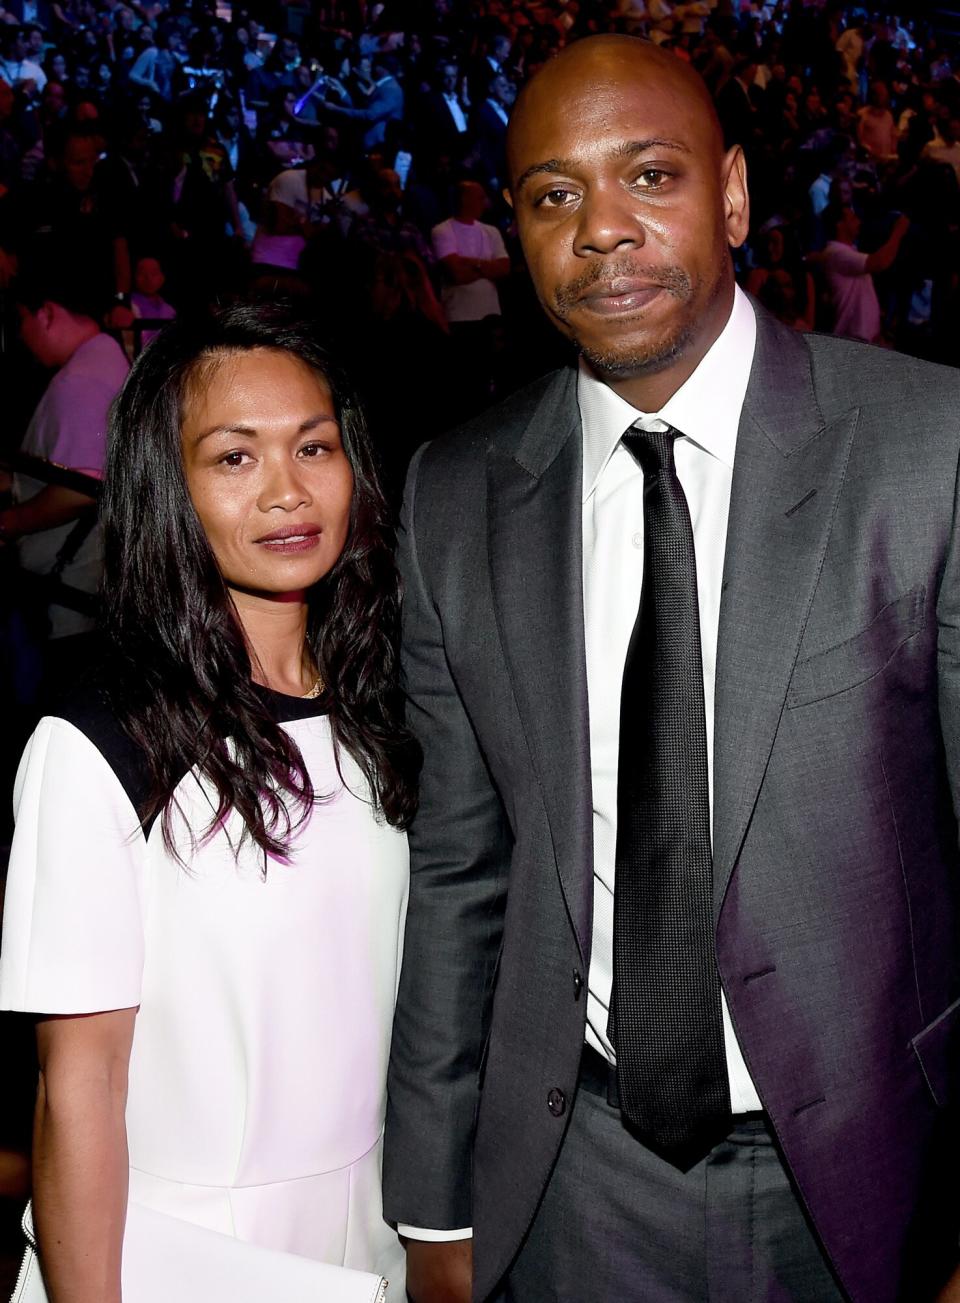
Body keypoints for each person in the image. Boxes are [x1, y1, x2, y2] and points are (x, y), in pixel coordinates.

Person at [383, 34, 960, 1303]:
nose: (600, 229)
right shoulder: (456, 493)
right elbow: (461, 870)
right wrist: (431, 1204)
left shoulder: (930, 447)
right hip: (577, 1169)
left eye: (649, 175)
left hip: (877, 1171)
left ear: (736, 194)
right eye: (552, 196)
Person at [0, 301, 418, 1298]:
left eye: (313, 446)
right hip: (185, 1254)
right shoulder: (101, 741)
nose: (287, 490)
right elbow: (80, 1090)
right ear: (169, 488)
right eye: (235, 458)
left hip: (378, 1237)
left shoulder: (393, 705)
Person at [0, 260, 129, 685]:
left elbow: (86, 483)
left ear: (48, 312)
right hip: (90, 588)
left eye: (22, 319)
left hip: (71, 594)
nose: (21, 334)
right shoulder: (107, 356)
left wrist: (11, 521)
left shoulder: (80, 380)